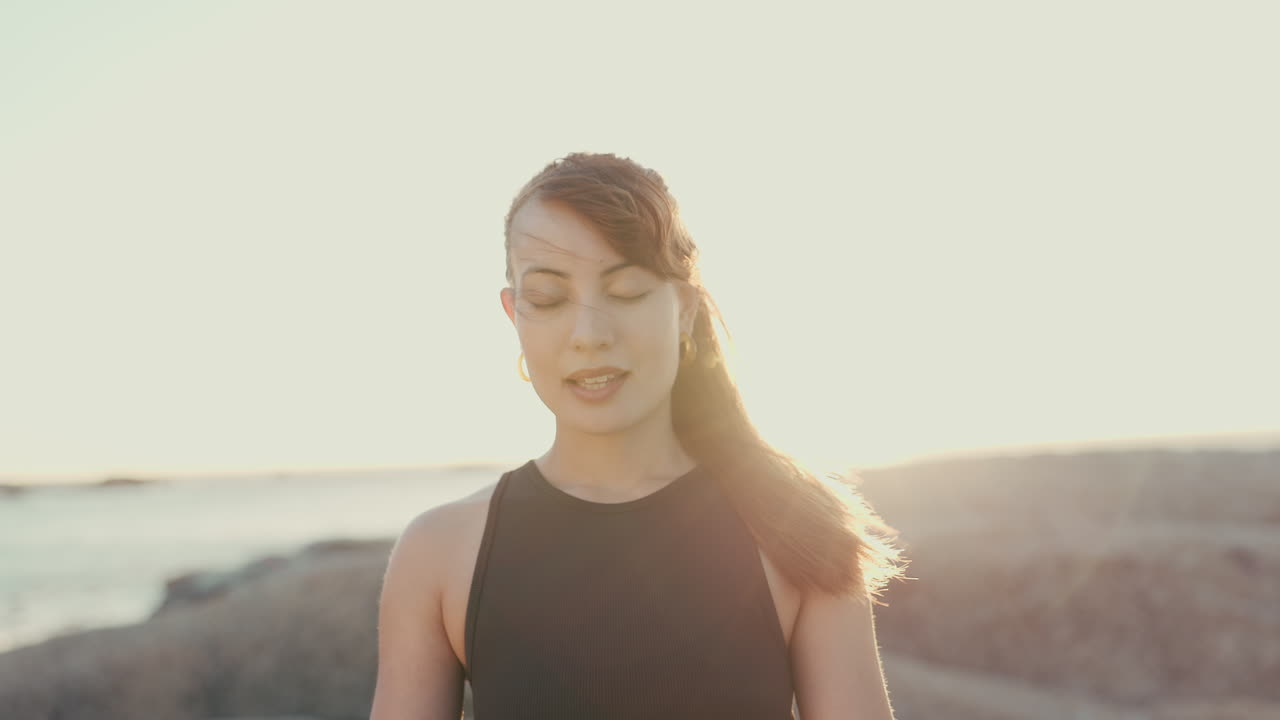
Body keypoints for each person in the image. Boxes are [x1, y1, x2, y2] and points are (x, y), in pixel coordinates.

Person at [369, 152, 908, 720]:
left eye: (625, 291)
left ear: (683, 308)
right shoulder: (438, 552)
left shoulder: (798, 529)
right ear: (515, 316)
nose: (589, 333)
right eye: (549, 299)